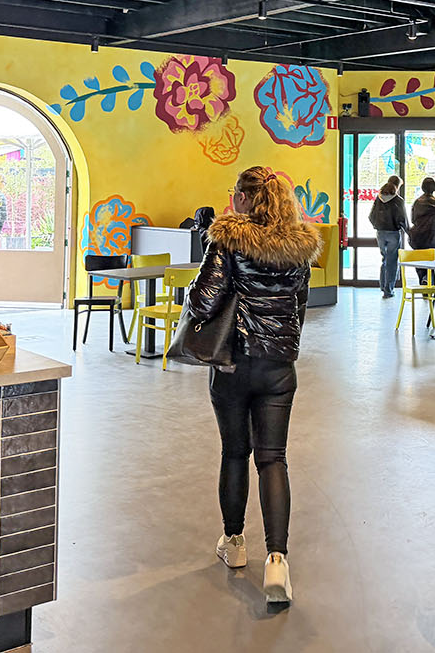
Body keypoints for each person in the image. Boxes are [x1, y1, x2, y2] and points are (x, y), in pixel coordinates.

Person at [186, 165, 322, 605]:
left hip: (233, 364)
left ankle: (234, 543)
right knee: (273, 458)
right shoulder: (301, 246)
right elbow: (300, 306)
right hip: (279, 367)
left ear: (244, 199)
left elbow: (204, 301)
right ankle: (278, 561)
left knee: (234, 452)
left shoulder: (228, 240)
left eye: (235, 193)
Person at [369, 181, 408, 298]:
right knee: (392, 261)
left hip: (380, 233)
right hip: (393, 233)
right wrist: (408, 231)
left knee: (385, 259)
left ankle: (383, 286)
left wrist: (377, 226)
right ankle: (388, 290)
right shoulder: (398, 200)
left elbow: (371, 216)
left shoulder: (378, 199)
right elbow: (402, 218)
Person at [408, 176, 435, 250]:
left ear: (422, 188)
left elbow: (413, 220)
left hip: (418, 239)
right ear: (434, 188)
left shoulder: (417, 203)